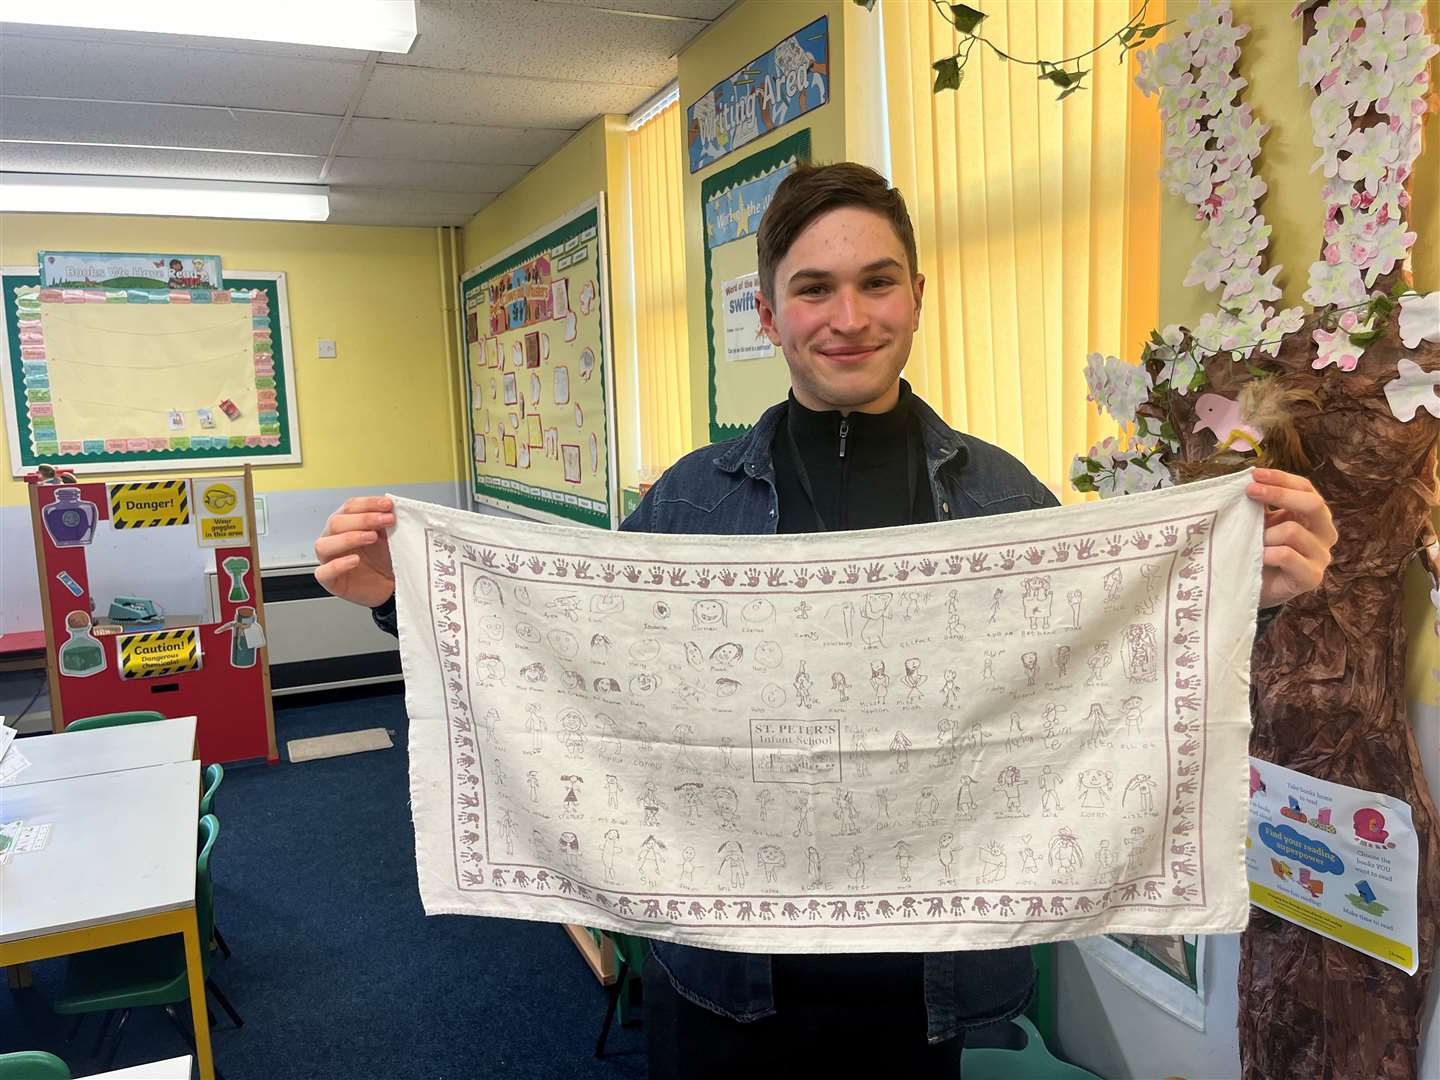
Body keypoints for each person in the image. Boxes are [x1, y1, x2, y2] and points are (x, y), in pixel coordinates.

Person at [314, 163, 1338, 1075]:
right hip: (726, 983)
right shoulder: (689, 504)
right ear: (767, 315)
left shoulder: (1000, 504)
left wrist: (1250, 593)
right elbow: (567, 653)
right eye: (813, 287)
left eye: (877, 280)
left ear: (918, 298)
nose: (849, 315)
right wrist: (400, 595)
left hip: (920, 992)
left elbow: (1107, 662)